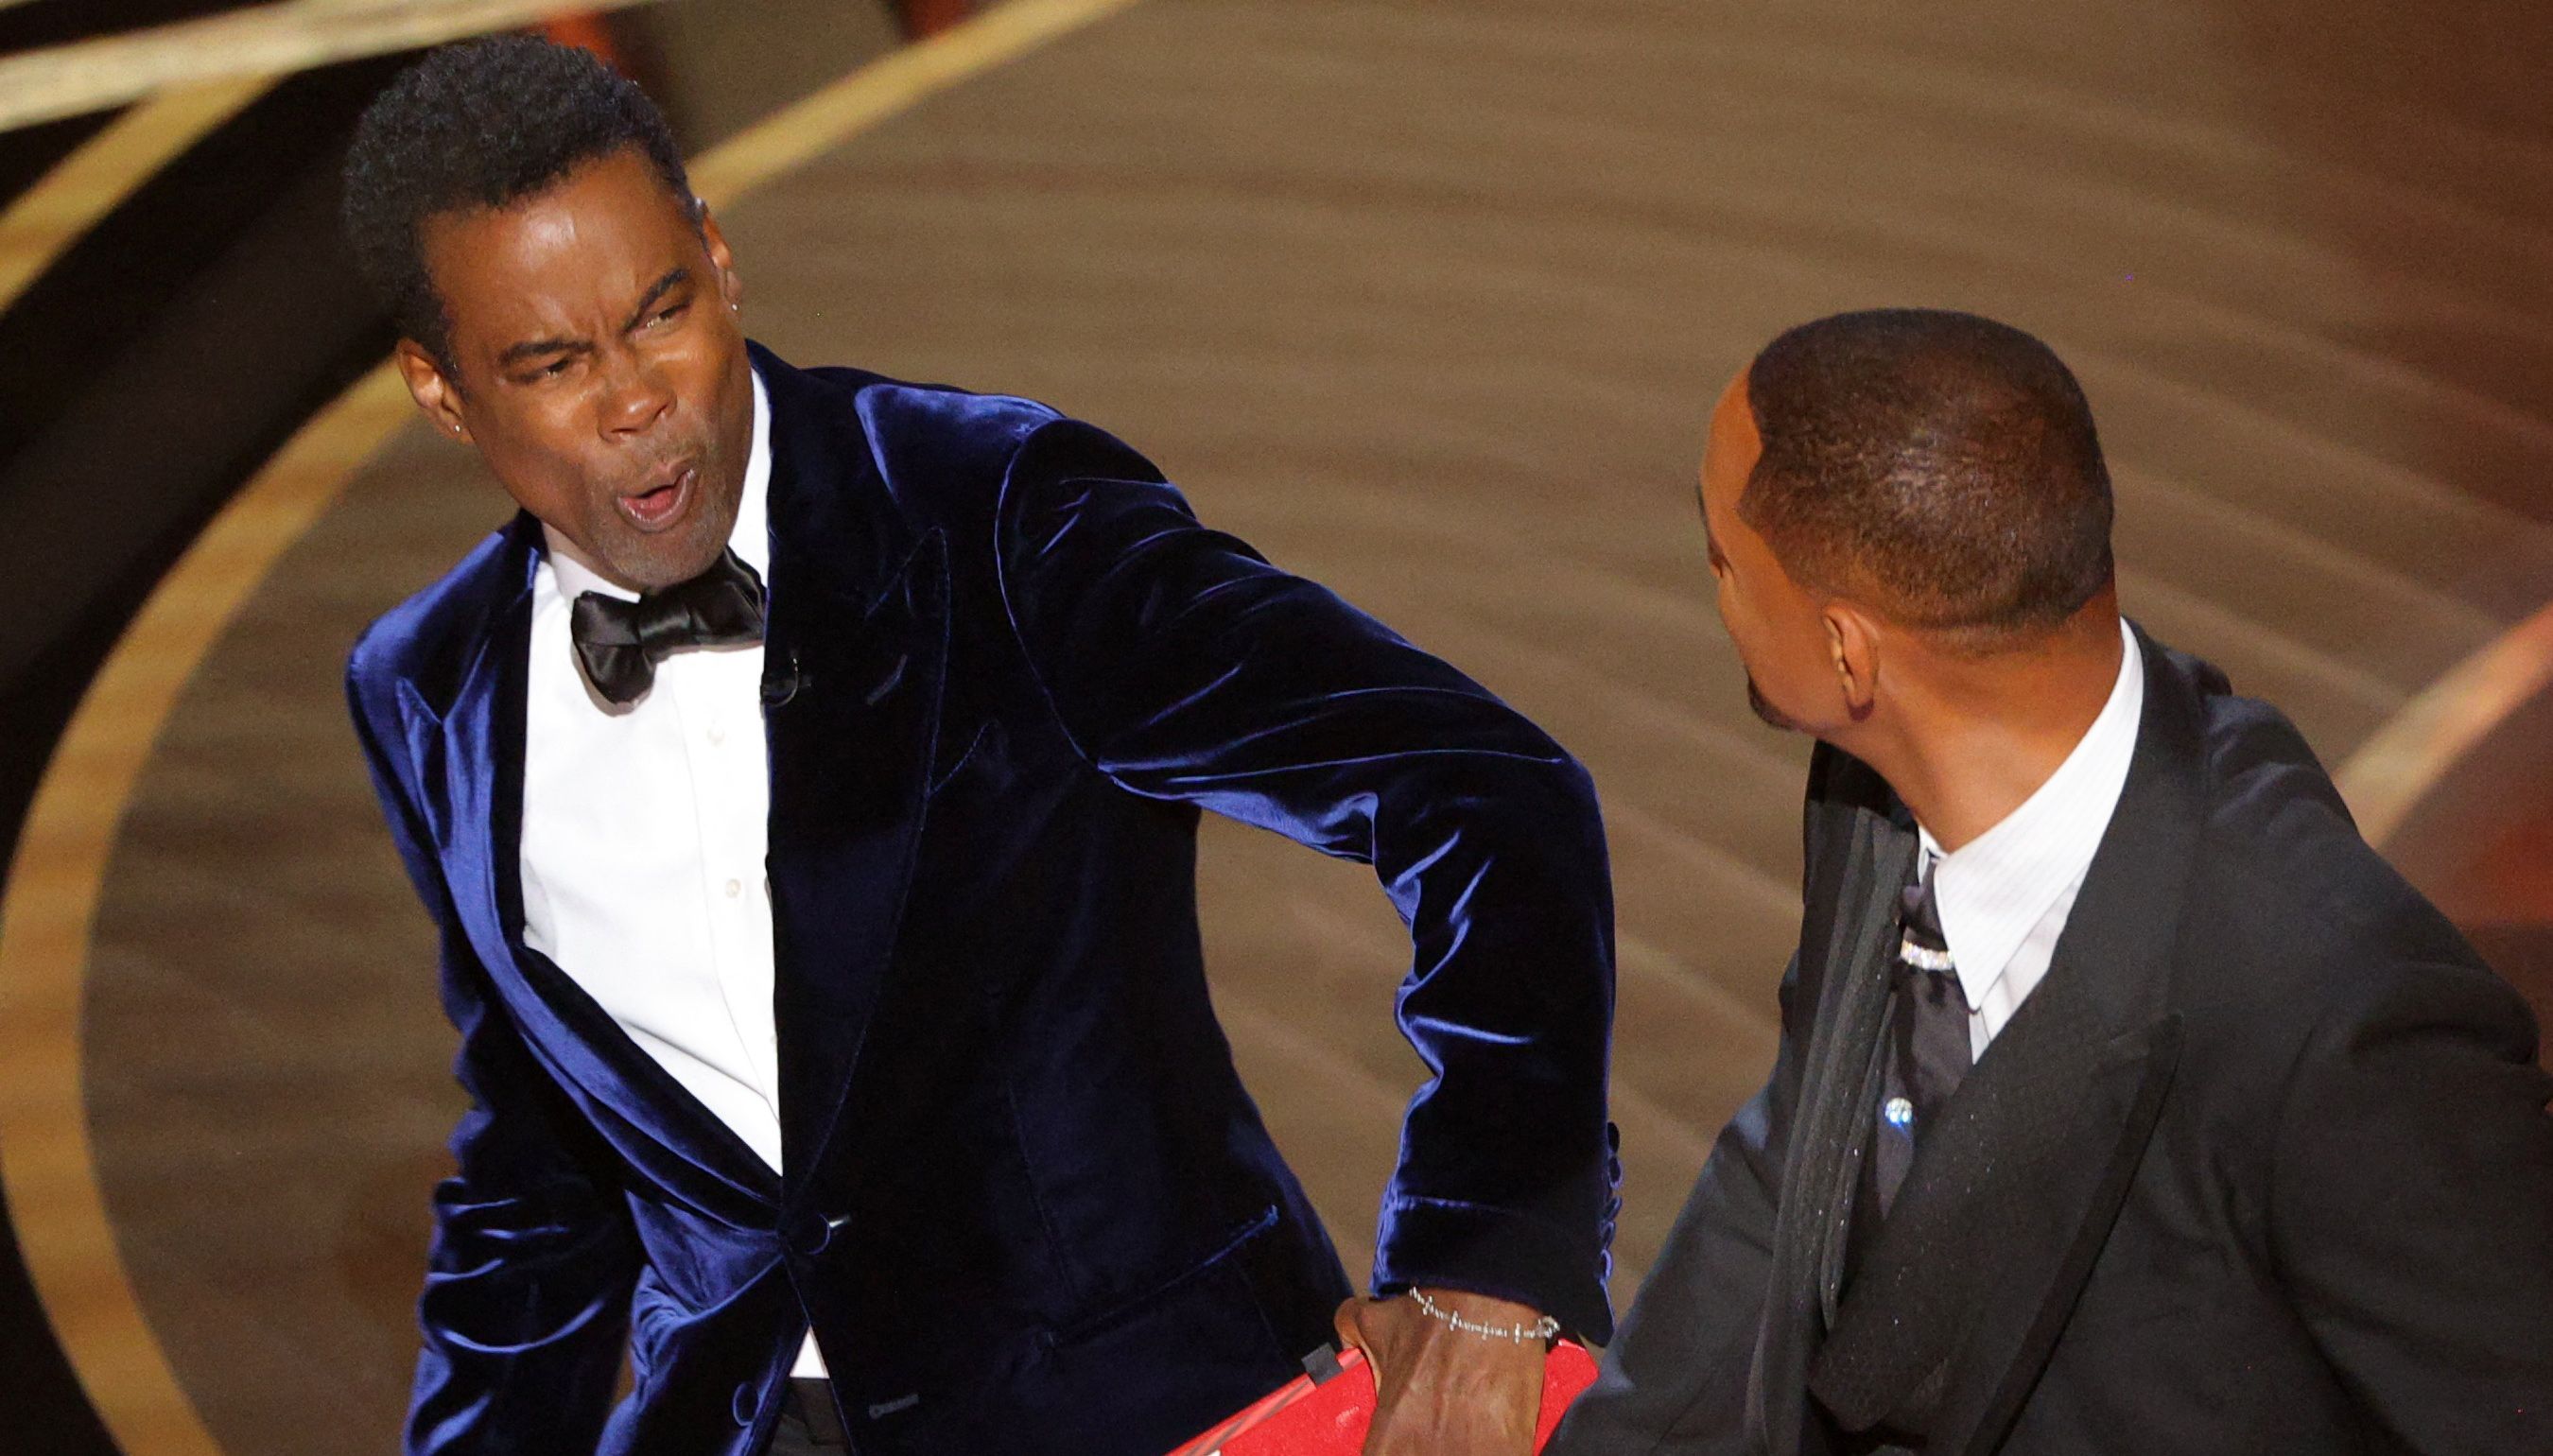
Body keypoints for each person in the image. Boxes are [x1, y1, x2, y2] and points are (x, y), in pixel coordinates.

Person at [337, 38, 1618, 1456]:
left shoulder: (993, 516)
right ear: (441, 390)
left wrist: (1494, 1261)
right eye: (554, 362)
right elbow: (548, 1164)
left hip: (1164, 1415)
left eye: (662, 310)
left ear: (721, 259)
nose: (639, 397)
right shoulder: (428, 688)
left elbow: (1483, 792)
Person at [1549, 309, 2553, 1455]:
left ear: (1845, 653)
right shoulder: (1870, 794)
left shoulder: (2332, 1013)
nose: (1714, 589)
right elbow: (1795, 1182)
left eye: (1724, 559)